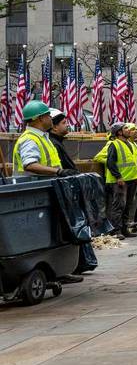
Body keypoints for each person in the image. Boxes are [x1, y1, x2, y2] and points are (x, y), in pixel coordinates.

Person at [11, 102, 85, 283]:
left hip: (48, 191)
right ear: (38, 119)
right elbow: (30, 164)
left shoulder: (43, 137)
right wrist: (58, 172)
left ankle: (57, 270)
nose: (51, 118)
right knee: (41, 234)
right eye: (47, 116)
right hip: (32, 194)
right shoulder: (30, 139)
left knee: (55, 232)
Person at [47, 108, 99, 275]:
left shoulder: (56, 142)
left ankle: (81, 263)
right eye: (63, 123)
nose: (67, 125)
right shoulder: (52, 143)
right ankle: (76, 265)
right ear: (53, 127)